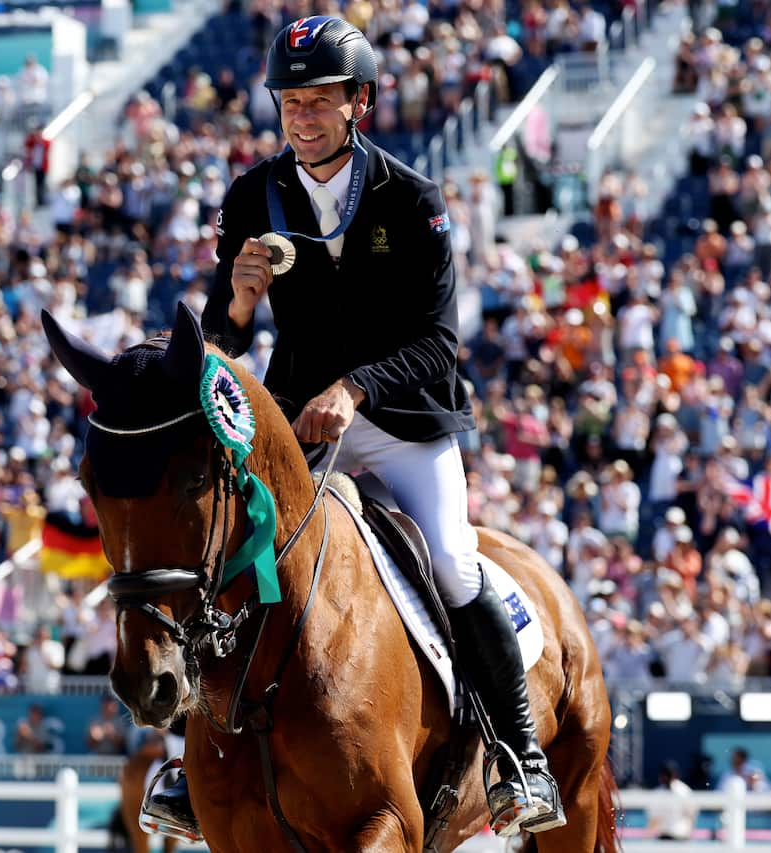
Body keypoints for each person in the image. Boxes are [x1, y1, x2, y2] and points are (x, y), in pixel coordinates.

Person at [149, 14, 564, 842]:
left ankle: (520, 758)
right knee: (223, 558)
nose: (302, 116)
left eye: (320, 101)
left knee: (449, 558)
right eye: (290, 101)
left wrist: (357, 387)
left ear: (359, 104)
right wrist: (234, 304)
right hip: (298, 426)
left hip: (405, 422)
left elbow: (439, 340)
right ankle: (193, 766)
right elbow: (218, 351)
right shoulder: (250, 196)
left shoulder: (412, 200)